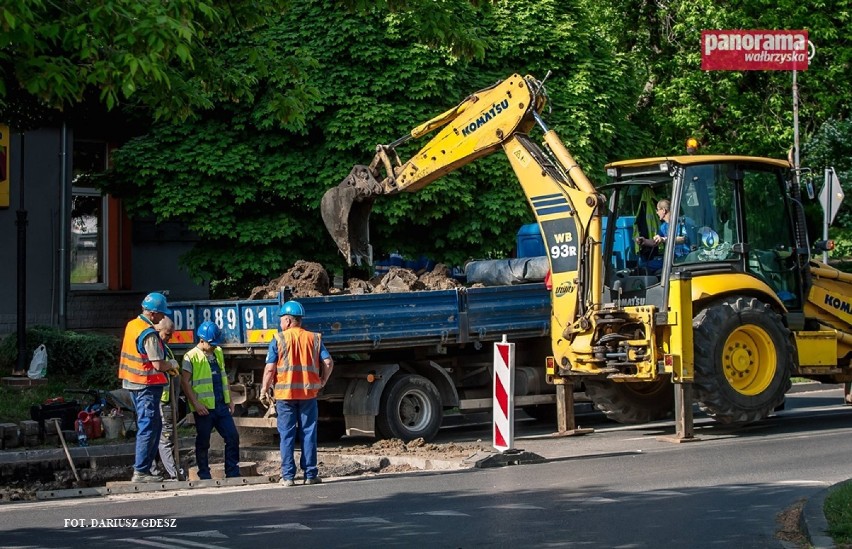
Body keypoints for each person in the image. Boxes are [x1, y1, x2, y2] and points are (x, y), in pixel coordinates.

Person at [260, 300, 334, 487]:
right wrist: (322, 381)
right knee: (308, 433)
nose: (280, 324)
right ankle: (310, 475)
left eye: (281, 320)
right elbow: (328, 363)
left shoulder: (279, 339)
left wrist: (263, 389)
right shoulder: (313, 338)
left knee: (287, 435)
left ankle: (288, 477)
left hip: (285, 396)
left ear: (288, 321)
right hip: (308, 394)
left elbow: (270, 369)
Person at [119, 292, 172, 483]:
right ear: (153, 313)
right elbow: (157, 363)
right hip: (146, 385)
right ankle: (141, 471)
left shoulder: (133, 325)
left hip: (134, 383)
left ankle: (146, 470)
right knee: (148, 426)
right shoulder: (148, 333)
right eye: (161, 314)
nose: (163, 318)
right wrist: (172, 365)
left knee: (152, 425)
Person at [180, 320, 240, 479]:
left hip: (220, 405)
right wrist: (196, 404)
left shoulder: (218, 352)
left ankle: (233, 472)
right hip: (204, 408)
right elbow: (185, 382)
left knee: (232, 437)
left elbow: (223, 376)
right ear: (201, 340)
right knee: (203, 442)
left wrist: (230, 399)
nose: (214, 346)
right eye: (211, 344)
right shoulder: (190, 357)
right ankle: (204, 474)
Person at [150, 317, 184, 481]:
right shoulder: (155, 348)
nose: (170, 338)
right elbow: (159, 368)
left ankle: (154, 470)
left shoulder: (165, 348)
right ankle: (173, 473)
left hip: (168, 400)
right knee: (165, 438)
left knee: (159, 437)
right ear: (158, 330)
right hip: (162, 401)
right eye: (167, 334)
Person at [635, 199, 691, 272]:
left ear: (664, 210)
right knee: (642, 267)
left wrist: (664, 239)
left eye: (657, 210)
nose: (657, 213)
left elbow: (683, 239)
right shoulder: (663, 227)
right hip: (669, 260)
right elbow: (655, 241)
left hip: (684, 259)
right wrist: (644, 241)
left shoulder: (682, 222)